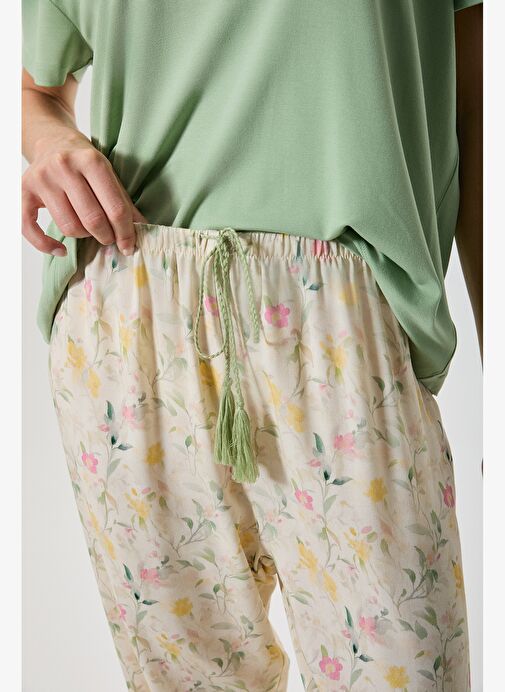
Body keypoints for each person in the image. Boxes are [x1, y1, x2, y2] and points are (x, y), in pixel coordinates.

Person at [22, 1, 482, 690]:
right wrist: (51, 143)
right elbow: (39, 92)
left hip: (346, 318)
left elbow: (476, 109)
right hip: (128, 313)